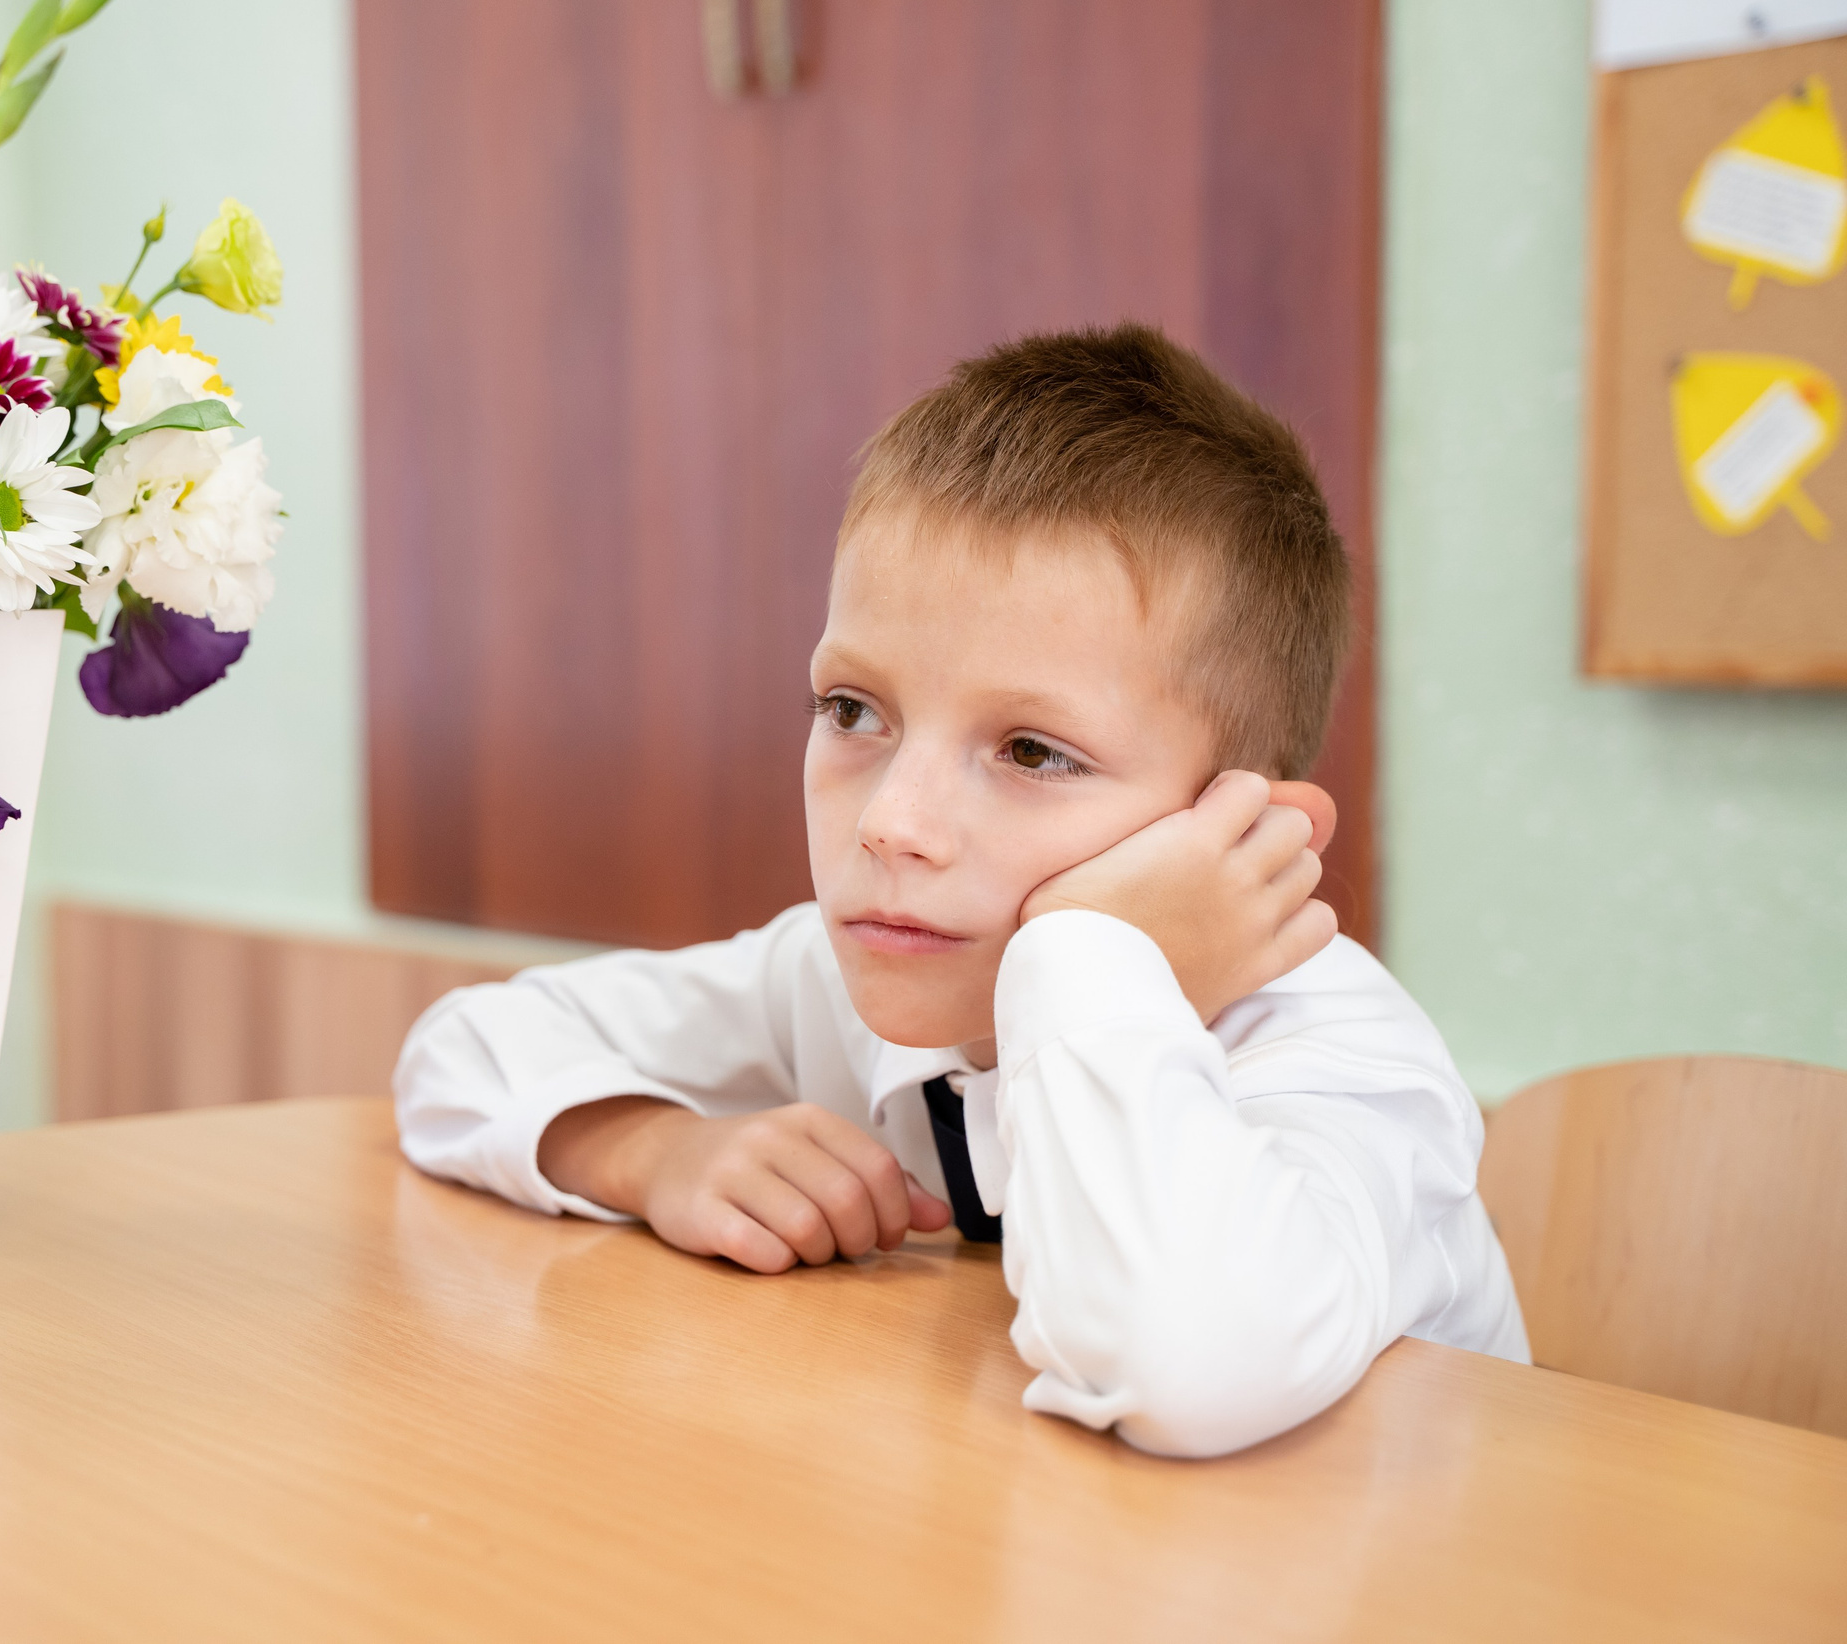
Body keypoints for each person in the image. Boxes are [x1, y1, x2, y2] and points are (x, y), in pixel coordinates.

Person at [393, 325, 1528, 1458]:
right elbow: (465, 1049)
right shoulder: (855, 971)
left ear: (1247, 831)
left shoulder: (1343, 1066)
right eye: (852, 711)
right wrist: (648, 1149)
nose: (892, 821)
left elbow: (1182, 1368)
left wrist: (1085, 957)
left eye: (1032, 752)